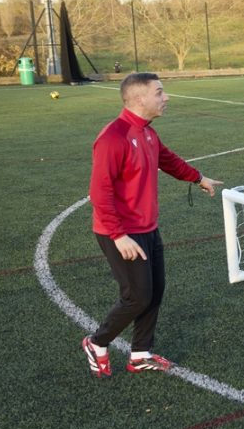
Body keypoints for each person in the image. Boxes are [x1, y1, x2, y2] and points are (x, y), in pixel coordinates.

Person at [82, 72, 222, 377]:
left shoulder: (147, 133)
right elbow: (99, 192)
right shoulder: (113, 138)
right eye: (159, 92)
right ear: (139, 99)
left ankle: (141, 353)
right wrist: (119, 235)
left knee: (155, 290)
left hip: (147, 227)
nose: (166, 97)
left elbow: (167, 159)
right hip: (119, 232)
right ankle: (97, 342)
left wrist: (197, 178)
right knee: (137, 296)